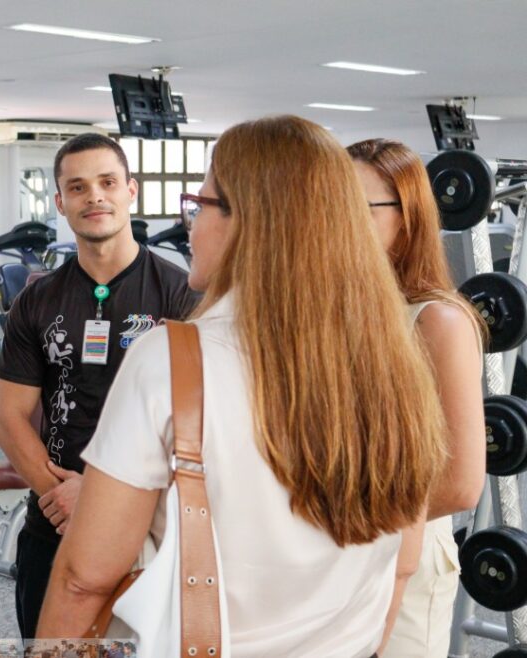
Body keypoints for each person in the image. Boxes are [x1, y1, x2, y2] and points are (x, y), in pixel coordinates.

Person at [36, 116, 448, 657]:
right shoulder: (397, 358)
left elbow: (83, 579)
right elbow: (403, 562)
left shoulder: (171, 359)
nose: (190, 226)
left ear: (249, 220)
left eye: (200, 205)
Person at [0, 132, 195, 639]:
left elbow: (200, 426)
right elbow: (9, 417)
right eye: (78, 187)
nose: (94, 197)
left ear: (131, 190)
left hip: (147, 531)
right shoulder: (37, 301)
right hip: (54, 521)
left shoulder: (182, 296)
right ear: (60, 202)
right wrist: (62, 496)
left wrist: (102, 500)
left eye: (107, 182)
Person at [349, 138, 486, 657]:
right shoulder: (332, 319)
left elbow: (459, 484)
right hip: (326, 560)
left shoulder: (437, 320)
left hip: (394, 557)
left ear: (406, 221)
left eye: (359, 207)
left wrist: (346, 525)